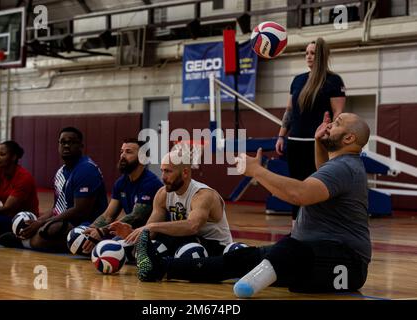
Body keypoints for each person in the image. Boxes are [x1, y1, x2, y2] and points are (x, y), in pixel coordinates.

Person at [136, 113, 371, 296]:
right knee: (244, 258)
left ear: (349, 138)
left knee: (289, 249)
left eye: (337, 123)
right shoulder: (342, 165)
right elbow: (321, 175)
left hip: (345, 262)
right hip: (315, 253)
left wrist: (257, 171)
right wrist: (318, 143)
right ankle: (162, 267)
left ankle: (249, 285)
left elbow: (300, 195)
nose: (330, 125)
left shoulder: (345, 167)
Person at [0, 127, 108, 252]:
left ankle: (25, 242)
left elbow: (80, 210)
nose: (66, 145)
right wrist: (37, 221)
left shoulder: (86, 169)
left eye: (71, 142)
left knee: (52, 229)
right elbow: (56, 209)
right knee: (37, 223)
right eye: (63, 142)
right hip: (69, 222)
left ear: (81, 145)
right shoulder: (60, 172)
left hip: (87, 224)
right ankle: (26, 237)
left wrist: (41, 224)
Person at [114, 145, 233, 257]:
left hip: (216, 249)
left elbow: (192, 226)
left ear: (185, 173)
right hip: (187, 242)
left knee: (173, 241)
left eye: (168, 171)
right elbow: (150, 231)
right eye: (162, 171)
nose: (163, 177)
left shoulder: (203, 195)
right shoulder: (162, 194)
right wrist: (134, 234)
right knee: (127, 244)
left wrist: (152, 227)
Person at [275, 37, 346, 225]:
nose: (308, 56)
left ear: (321, 55)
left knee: (318, 187)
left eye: (312, 53)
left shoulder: (333, 80)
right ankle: (295, 227)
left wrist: (333, 133)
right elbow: (289, 110)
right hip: (295, 143)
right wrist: (282, 135)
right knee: (296, 186)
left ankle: (319, 227)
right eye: (306, 53)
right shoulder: (297, 80)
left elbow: (338, 112)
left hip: (319, 144)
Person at [81, 138, 163, 254]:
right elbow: (108, 215)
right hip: (126, 232)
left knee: (110, 247)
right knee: (85, 237)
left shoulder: (151, 183)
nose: (122, 155)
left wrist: (102, 231)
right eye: (121, 151)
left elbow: (136, 217)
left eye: (128, 152)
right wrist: (91, 229)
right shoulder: (121, 183)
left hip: (149, 236)